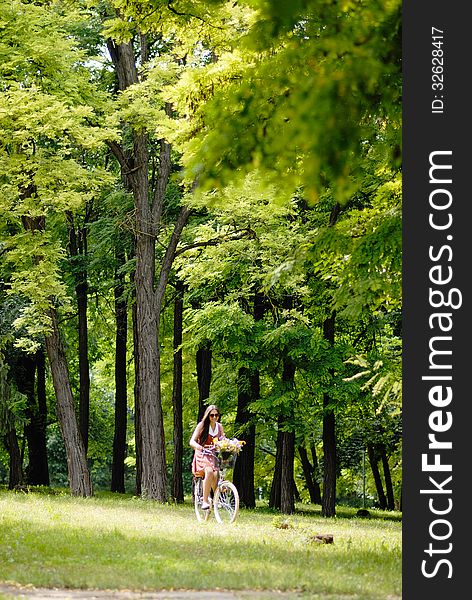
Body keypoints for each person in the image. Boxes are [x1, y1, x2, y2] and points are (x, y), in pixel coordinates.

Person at [190, 404, 225, 510]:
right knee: (209, 471)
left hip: (212, 454)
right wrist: (199, 447)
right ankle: (205, 501)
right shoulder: (202, 426)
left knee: (216, 474)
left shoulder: (219, 427)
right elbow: (192, 441)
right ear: (208, 416)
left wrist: (228, 444)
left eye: (216, 415)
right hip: (202, 453)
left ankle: (216, 498)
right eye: (212, 415)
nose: (214, 417)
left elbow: (223, 439)